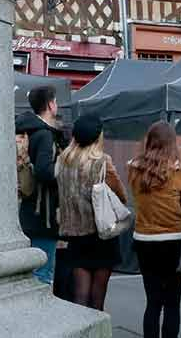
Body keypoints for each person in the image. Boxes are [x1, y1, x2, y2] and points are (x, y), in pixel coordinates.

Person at [129, 121, 181, 338]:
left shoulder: (135, 171)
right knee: (172, 303)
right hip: (174, 240)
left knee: (153, 302)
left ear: (149, 141)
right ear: (171, 144)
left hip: (144, 240)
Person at [55, 112, 126, 311]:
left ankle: (82, 326)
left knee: (80, 297)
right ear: (97, 137)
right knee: (97, 300)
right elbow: (121, 195)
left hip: (76, 235)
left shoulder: (63, 162)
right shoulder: (102, 162)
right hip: (102, 234)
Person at [15, 85, 65, 285]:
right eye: (56, 101)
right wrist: (63, 169)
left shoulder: (28, 131)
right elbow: (45, 171)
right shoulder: (45, 135)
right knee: (42, 276)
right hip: (43, 214)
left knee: (29, 275)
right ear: (51, 105)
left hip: (28, 209)